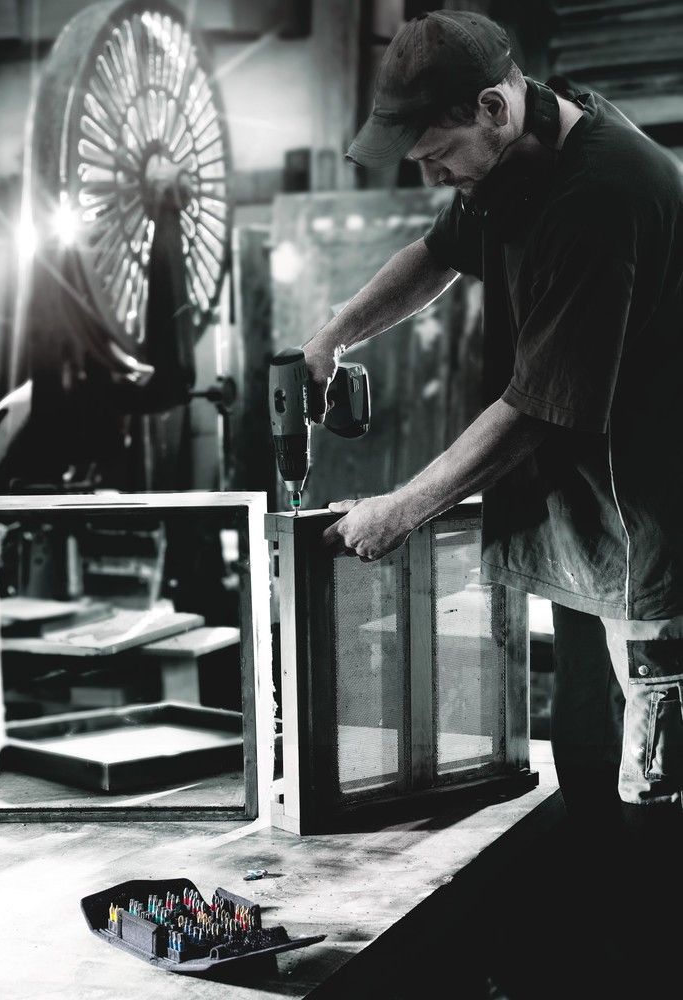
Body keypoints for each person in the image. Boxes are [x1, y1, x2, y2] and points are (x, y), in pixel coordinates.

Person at [303, 10, 683, 998]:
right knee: (584, 748)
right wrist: (336, 332)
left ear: (492, 105)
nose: (436, 177)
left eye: (438, 156)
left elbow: (535, 410)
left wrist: (401, 508)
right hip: (585, 526)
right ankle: (596, 961)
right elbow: (438, 253)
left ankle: (647, 969)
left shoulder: (603, 194)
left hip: (654, 535)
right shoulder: (516, 158)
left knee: (656, 785)